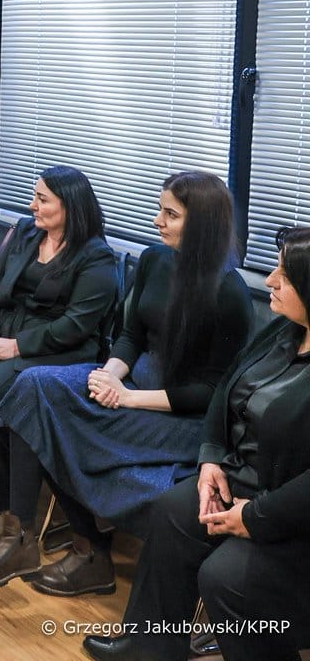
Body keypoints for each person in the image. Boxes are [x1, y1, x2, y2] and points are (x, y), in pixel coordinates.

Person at [0, 171, 252, 590]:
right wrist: (109, 373)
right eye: (159, 210)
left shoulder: (229, 293)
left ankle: (90, 550)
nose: (157, 221)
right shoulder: (155, 260)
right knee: (32, 387)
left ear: (202, 222)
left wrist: (129, 399)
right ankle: (20, 535)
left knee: (57, 423)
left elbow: (211, 394)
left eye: (170, 214)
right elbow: (131, 336)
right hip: (131, 381)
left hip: (178, 415)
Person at [84, 227, 310, 661]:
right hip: (238, 481)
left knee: (226, 578)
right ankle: (150, 645)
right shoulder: (283, 332)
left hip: (288, 512)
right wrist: (209, 460)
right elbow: (225, 391)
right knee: (172, 511)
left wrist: (258, 516)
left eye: (287, 273)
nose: (270, 280)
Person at [0, 166, 117, 535]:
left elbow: (77, 325)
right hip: (2, 331)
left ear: (71, 206)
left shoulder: (96, 257)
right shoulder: (27, 233)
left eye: (42, 200)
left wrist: (14, 346)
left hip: (52, 348)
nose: (32, 206)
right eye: (34, 197)